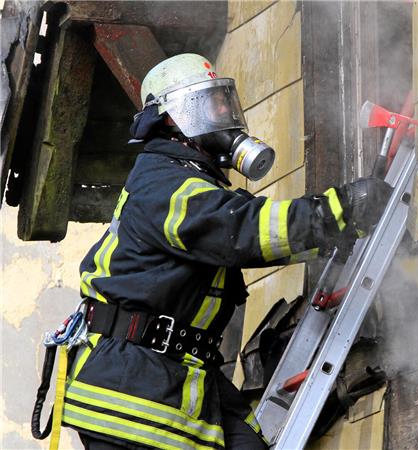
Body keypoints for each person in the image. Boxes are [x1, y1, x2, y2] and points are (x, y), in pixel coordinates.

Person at [62, 53, 391, 449]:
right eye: (212, 103)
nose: (227, 113)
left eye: (226, 101)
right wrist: (337, 211)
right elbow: (240, 231)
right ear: (173, 116)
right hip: (131, 388)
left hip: (176, 374)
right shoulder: (163, 182)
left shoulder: (189, 182)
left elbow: (239, 242)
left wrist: (331, 234)